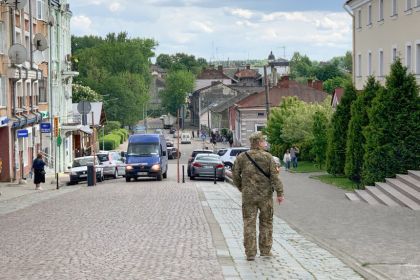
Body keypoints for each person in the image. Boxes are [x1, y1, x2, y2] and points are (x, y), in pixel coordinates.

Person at [232, 132, 284, 261]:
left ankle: (250, 253)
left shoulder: (242, 157)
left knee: (249, 223)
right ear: (259, 142)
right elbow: (275, 176)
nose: (265, 143)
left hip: (248, 196)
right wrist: (280, 193)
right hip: (265, 197)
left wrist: (242, 188)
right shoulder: (268, 157)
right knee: (266, 222)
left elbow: (235, 174)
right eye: (263, 141)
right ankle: (265, 250)